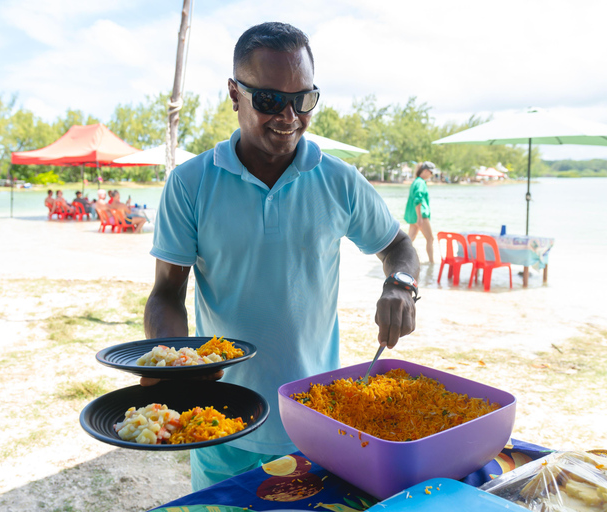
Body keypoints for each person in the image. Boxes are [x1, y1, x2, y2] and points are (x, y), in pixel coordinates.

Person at [143, 21, 419, 491]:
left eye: (303, 99)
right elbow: (167, 293)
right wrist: (176, 369)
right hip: (222, 421)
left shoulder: (339, 180)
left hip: (318, 418)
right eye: (269, 100)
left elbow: (398, 247)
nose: (289, 116)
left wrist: (401, 285)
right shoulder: (190, 183)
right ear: (234, 94)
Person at [403, 161, 436, 264]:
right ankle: (431, 263)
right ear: (425, 171)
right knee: (430, 238)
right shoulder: (421, 182)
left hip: (413, 216)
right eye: (431, 172)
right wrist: (420, 217)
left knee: (409, 240)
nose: (432, 175)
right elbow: (418, 199)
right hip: (420, 215)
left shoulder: (416, 181)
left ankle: (402, 259)